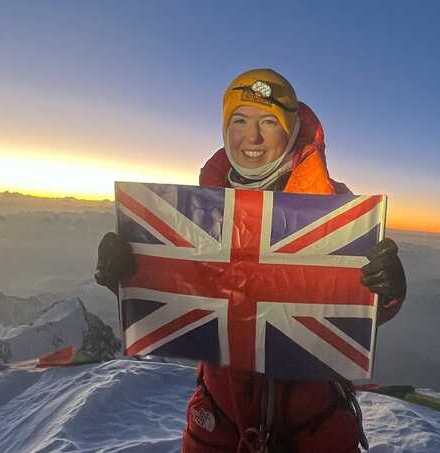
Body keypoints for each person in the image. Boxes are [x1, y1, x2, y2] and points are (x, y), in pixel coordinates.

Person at [95, 68, 406, 453]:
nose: (252, 137)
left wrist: (387, 291)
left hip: (315, 426)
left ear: (291, 131)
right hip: (219, 419)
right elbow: (183, 289)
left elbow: (354, 314)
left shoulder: (336, 213)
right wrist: (129, 275)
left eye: (269, 122)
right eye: (239, 120)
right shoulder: (194, 214)